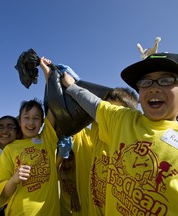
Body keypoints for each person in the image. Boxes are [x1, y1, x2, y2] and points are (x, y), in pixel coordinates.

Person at [61, 52, 178, 215]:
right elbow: (93, 103)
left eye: (166, 80)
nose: (153, 88)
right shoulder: (124, 120)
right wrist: (72, 86)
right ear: (139, 96)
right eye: (145, 82)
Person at [0, 55, 60, 216]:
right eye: (26, 118)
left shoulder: (47, 138)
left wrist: (45, 70)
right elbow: (3, 192)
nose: (31, 123)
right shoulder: (10, 149)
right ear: (19, 121)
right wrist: (14, 179)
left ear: (43, 122)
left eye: (36, 118)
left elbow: (54, 101)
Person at [69, 87, 138, 216]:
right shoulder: (97, 134)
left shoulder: (133, 149)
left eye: (115, 114)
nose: (108, 118)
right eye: (107, 112)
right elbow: (91, 103)